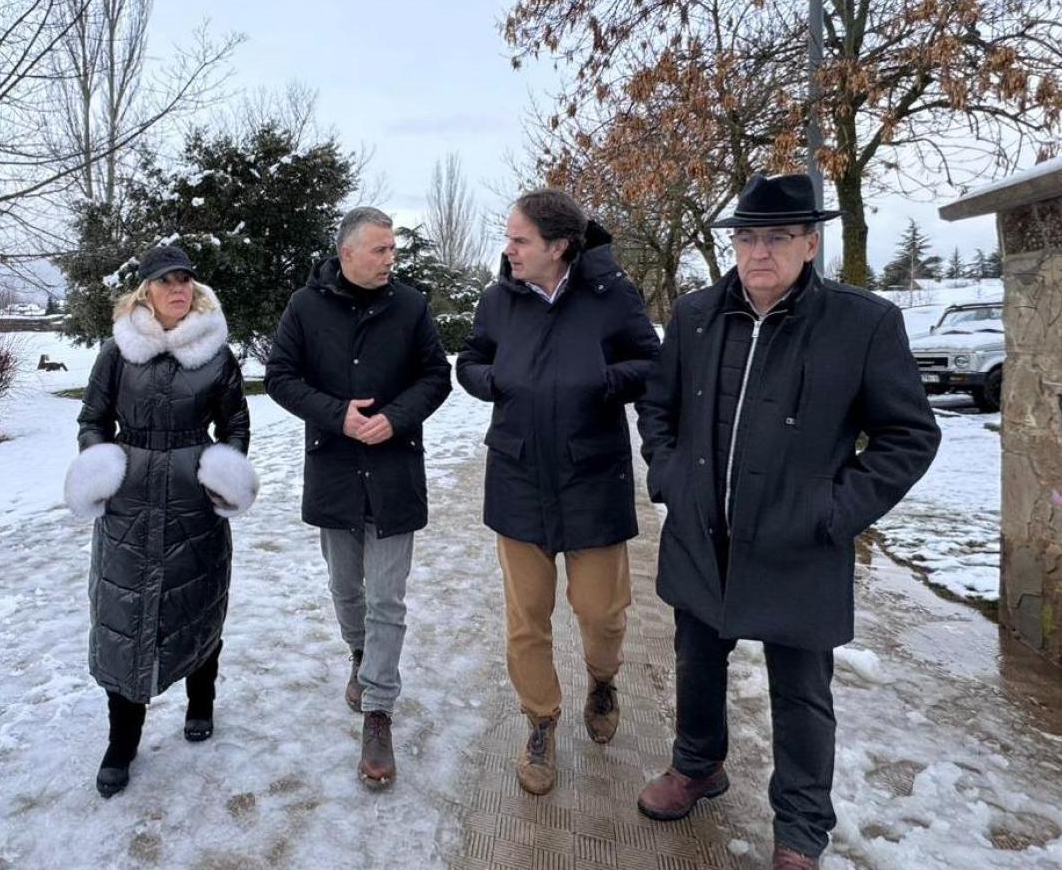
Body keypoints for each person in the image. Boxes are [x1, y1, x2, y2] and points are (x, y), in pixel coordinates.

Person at [634, 174, 940, 869]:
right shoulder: (696, 315)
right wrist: (670, 475)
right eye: (747, 238)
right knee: (696, 661)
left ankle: (801, 826)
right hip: (703, 533)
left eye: (777, 237)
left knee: (801, 690)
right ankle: (697, 765)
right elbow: (658, 408)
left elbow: (909, 436)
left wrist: (835, 510)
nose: (759, 252)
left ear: (810, 243)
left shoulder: (862, 324)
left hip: (800, 542)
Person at [455, 188, 660, 796]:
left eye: (520, 240)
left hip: (592, 477)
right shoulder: (498, 299)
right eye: (509, 238)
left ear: (559, 246)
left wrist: (602, 379)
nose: (509, 250)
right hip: (518, 476)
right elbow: (471, 359)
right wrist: (492, 379)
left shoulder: (612, 295)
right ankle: (541, 721)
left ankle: (603, 680)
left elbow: (652, 363)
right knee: (526, 619)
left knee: (601, 612)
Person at [264, 206, 452, 789]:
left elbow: (436, 377)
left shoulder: (411, 306)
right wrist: (336, 415)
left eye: (393, 249)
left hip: (395, 472)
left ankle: (378, 710)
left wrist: (395, 418)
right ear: (346, 253)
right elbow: (279, 377)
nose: (390, 259)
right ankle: (360, 654)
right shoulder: (305, 307)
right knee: (346, 587)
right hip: (335, 470)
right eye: (380, 250)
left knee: (386, 598)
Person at [64, 244, 258, 799]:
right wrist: (101, 467)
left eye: (185, 281)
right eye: (166, 281)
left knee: (197, 603)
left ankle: (201, 700)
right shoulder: (117, 352)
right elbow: (93, 418)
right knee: (123, 616)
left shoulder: (217, 355)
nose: (178, 289)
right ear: (145, 290)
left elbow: (235, 424)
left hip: (194, 499)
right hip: (128, 501)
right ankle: (121, 742)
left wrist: (224, 473)